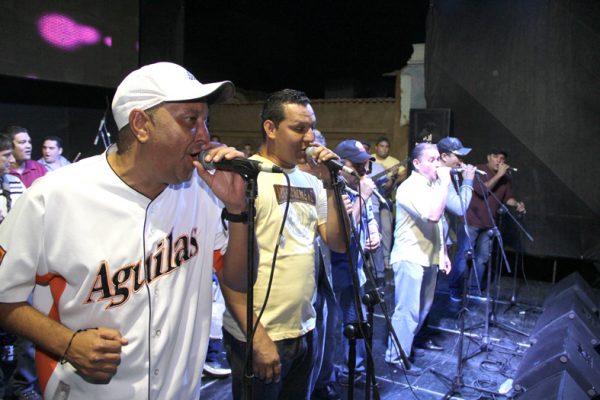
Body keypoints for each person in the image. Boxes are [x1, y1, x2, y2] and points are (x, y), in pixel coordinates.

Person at [0, 61, 250, 400]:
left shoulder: (203, 190)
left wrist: (238, 210)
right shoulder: (53, 196)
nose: (204, 135)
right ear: (141, 125)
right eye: (191, 120)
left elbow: (238, 280)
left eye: (206, 120)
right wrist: (67, 343)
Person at [220, 89, 347, 400]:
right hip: (260, 334)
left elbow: (338, 243)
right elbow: (225, 268)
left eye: (311, 127)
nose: (310, 137)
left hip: (304, 328)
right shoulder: (243, 179)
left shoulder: (311, 182)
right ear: (271, 128)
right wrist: (257, 337)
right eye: (299, 128)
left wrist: (331, 185)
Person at [384, 143, 451, 375]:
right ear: (416, 163)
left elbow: (440, 224)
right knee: (408, 310)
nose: (437, 164)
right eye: (431, 160)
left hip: (429, 256)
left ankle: (406, 347)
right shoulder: (409, 188)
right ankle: (395, 356)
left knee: (423, 309)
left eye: (438, 159)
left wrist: (443, 253)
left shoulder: (433, 185)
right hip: (410, 255)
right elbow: (433, 215)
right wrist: (446, 184)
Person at [330, 139, 380, 386]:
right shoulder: (334, 191)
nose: (364, 170)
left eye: (366, 165)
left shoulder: (359, 189)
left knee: (356, 322)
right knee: (334, 327)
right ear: (342, 165)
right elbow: (342, 230)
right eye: (358, 165)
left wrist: (375, 232)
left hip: (355, 270)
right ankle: (330, 377)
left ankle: (354, 370)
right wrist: (364, 196)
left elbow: (368, 218)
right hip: (336, 272)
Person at [450, 147, 526, 300]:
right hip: (471, 221)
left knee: (483, 258)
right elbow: (481, 190)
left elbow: (507, 198)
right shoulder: (478, 170)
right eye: (497, 157)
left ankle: (474, 288)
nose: (500, 161)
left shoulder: (505, 178)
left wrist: (517, 204)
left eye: (503, 159)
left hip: (489, 224)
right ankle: (455, 288)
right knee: (464, 256)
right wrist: (499, 175)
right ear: (489, 157)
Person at [371, 136, 406, 269]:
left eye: (386, 147)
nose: (384, 149)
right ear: (376, 147)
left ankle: (386, 257)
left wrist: (394, 177)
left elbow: (404, 173)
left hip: (385, 199)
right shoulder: (370, 159)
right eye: (381, 146)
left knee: (386, 228)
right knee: (373, 229)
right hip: (370, 200)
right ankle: (372, 260)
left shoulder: (394, 162)